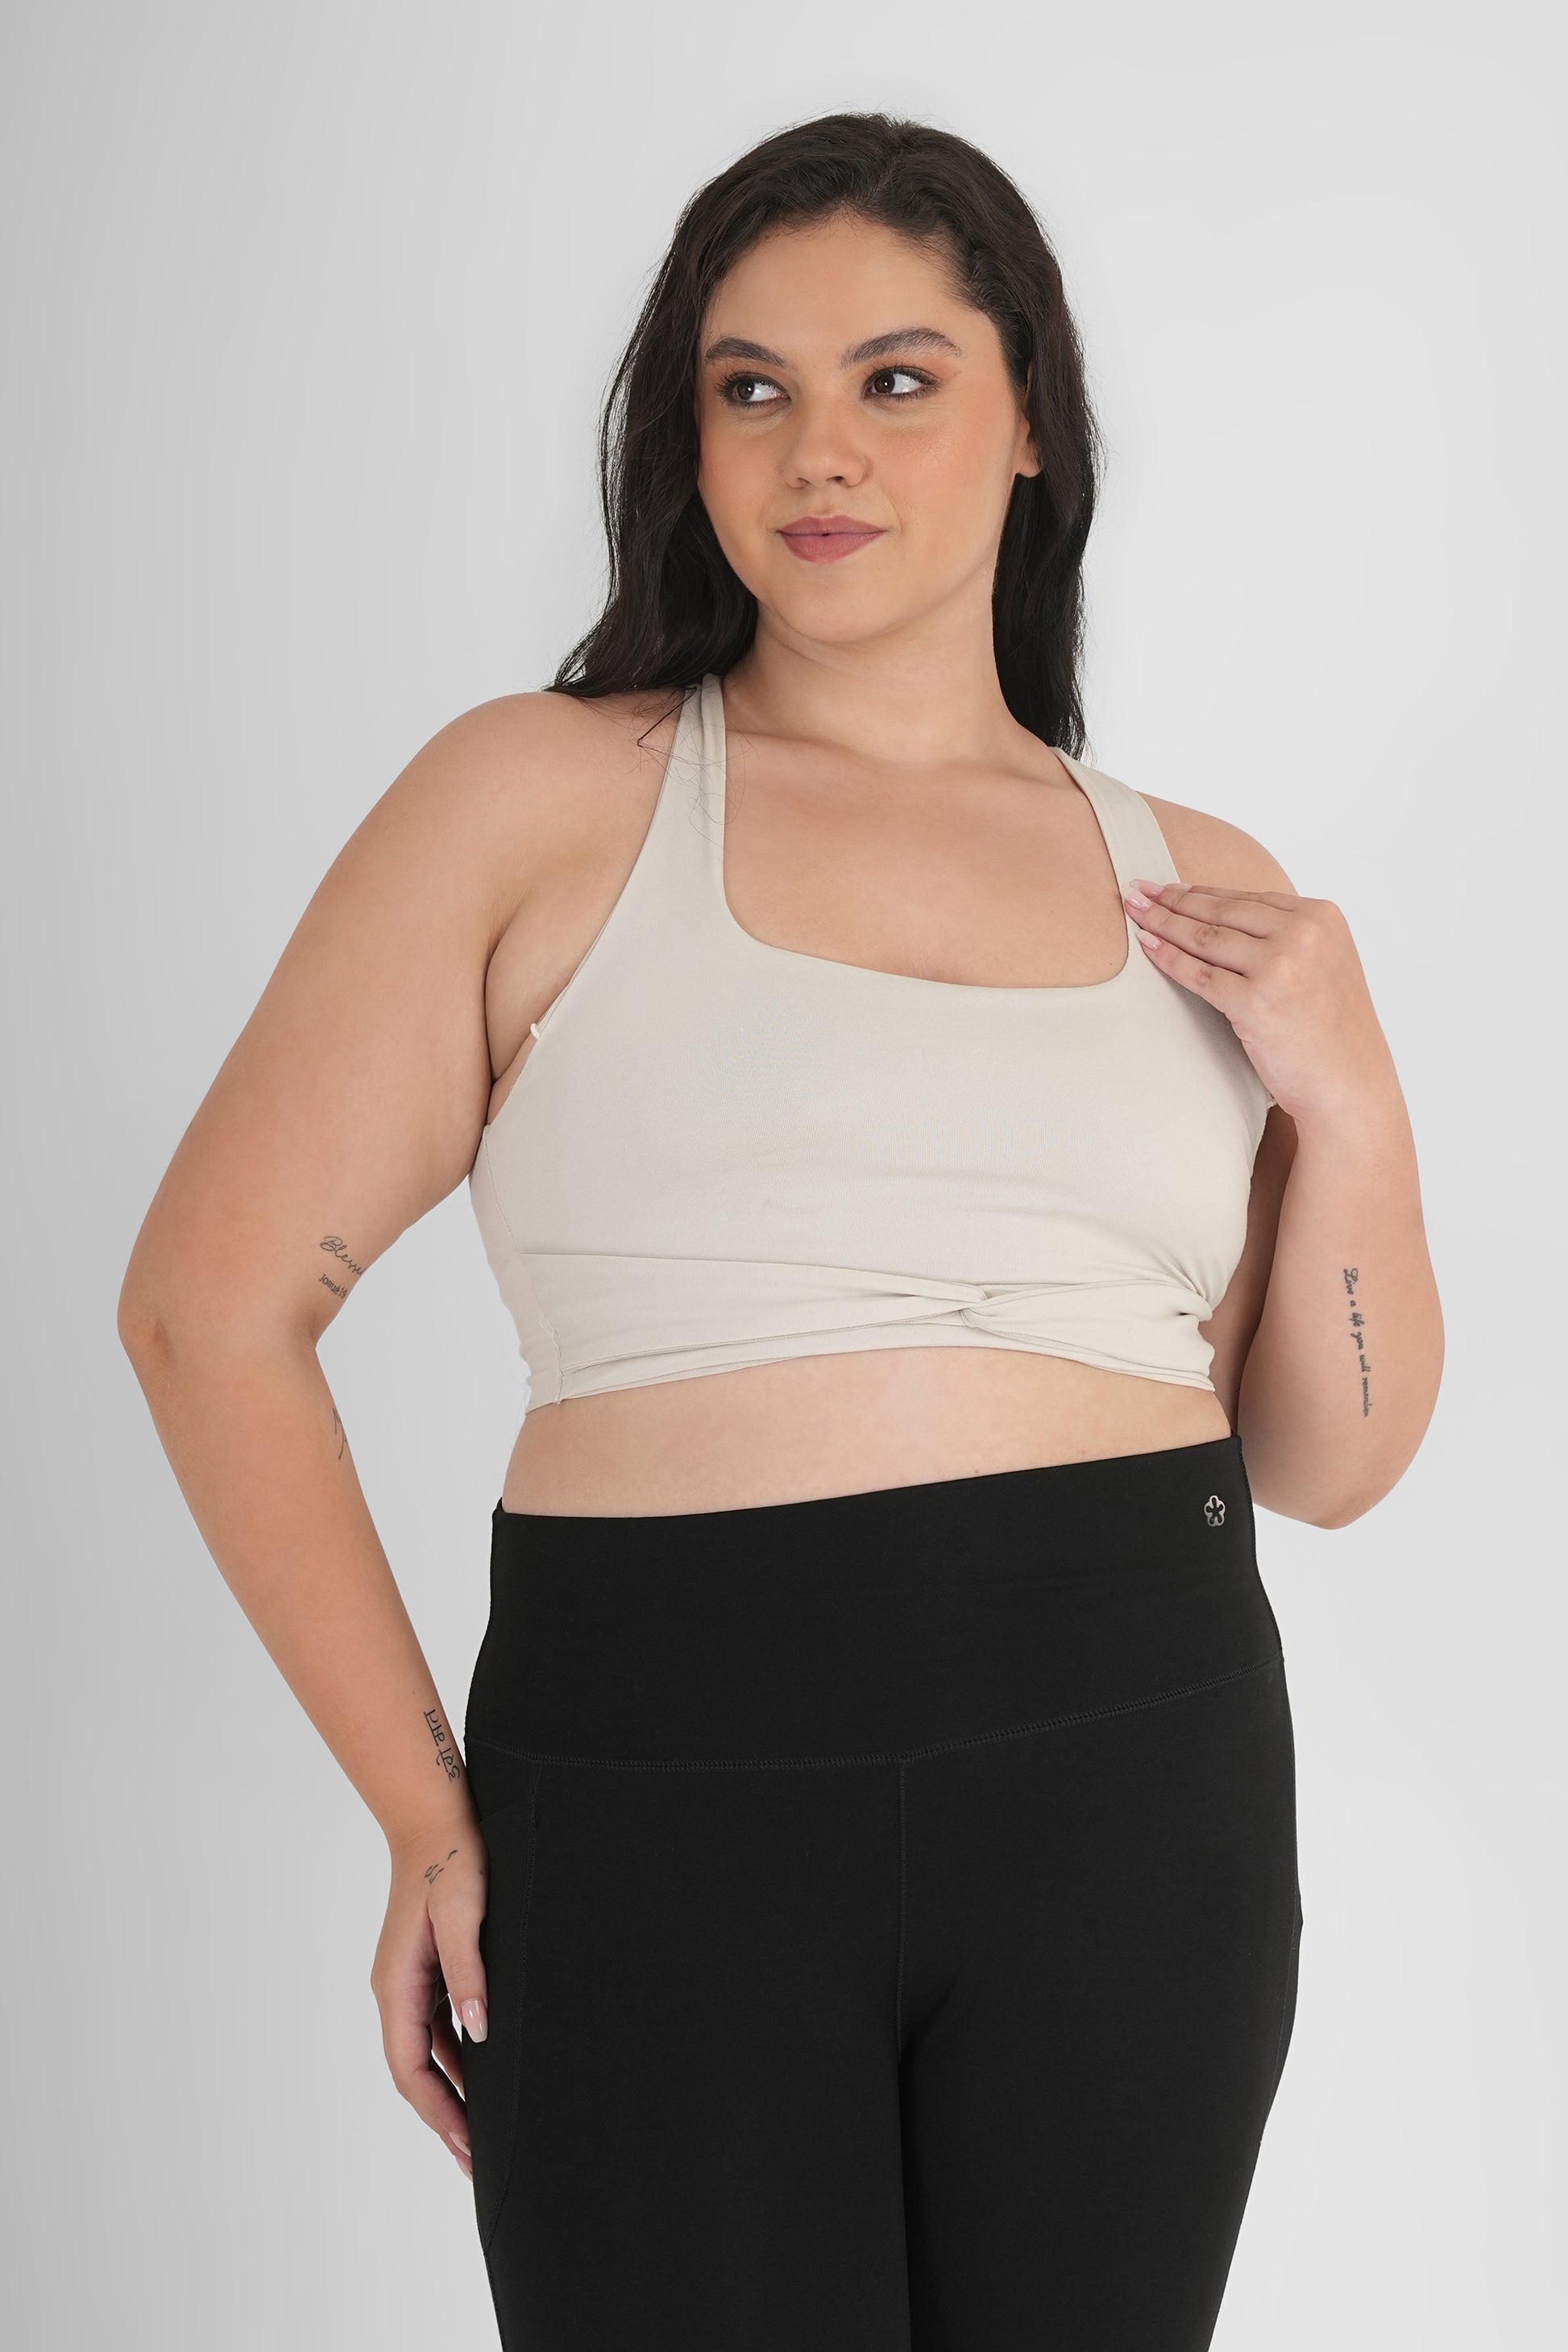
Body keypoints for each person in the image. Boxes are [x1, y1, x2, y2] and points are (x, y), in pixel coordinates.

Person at [118, 110, 1444, 2352]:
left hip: (1139, 1764)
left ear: (1031, 421)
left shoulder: (1197, 881)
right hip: (659, 1770)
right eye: (752, 388)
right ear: (690, 436)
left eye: (896, 379)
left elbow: (1333, 1458)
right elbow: (206, 1310)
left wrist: (1358, 1097)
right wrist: (423, 1815)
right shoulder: (541, 797)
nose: (817, 448)